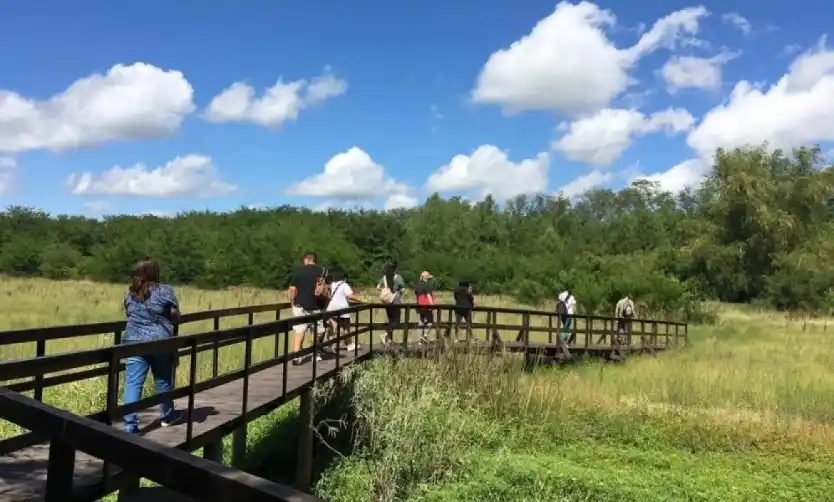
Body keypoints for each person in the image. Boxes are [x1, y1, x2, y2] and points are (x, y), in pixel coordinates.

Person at [121, 259, 184, 434]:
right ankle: (167, 416)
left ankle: (130, 426)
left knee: (133, 383)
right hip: (159, 343)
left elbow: (129, 312)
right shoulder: (165, 291)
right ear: (155, 273)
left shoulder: (131, 293)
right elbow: (176, 317)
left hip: (133, 342)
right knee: (163, 380)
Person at [288, 252, 331, 365]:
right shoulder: (323, 270)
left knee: (299, 330)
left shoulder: (299, 271)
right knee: (319, 331)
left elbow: (292, 290)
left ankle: (296, 356)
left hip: (300, 305)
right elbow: (327, 290)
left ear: (305, 260)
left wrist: (292, 303)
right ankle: (315, 353)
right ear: (314, 260)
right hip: (316, 305)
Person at [326, 270, 362, 352]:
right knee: (346, 328)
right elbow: (350, 296)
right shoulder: (345, 285)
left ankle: (329, 345)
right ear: (344, 278)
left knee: (333, 327)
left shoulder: (332, 285)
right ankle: (349, 344)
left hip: (331, 308)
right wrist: (361, 300)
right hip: (342, 309)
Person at [377, 261, 405, 345]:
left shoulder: (384, 277)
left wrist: (385, 291)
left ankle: (389, 340)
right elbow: (402, 289)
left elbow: (378, 287)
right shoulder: (398, 277)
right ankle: (385, 335)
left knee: (390, 320)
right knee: (397, 321)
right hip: (395, 300)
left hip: (387, 302)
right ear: (395, 269)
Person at [414, 271, 435, 344]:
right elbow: (428, 295)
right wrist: (432, 305)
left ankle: (420, 339)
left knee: (421, 321)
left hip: (419, 306)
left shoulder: (417, 285)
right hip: (426, 306)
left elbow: (416, 295)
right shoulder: (426, 285)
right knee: (430, 321)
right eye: (429, 278)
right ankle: (425, 336)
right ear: (426, 278)